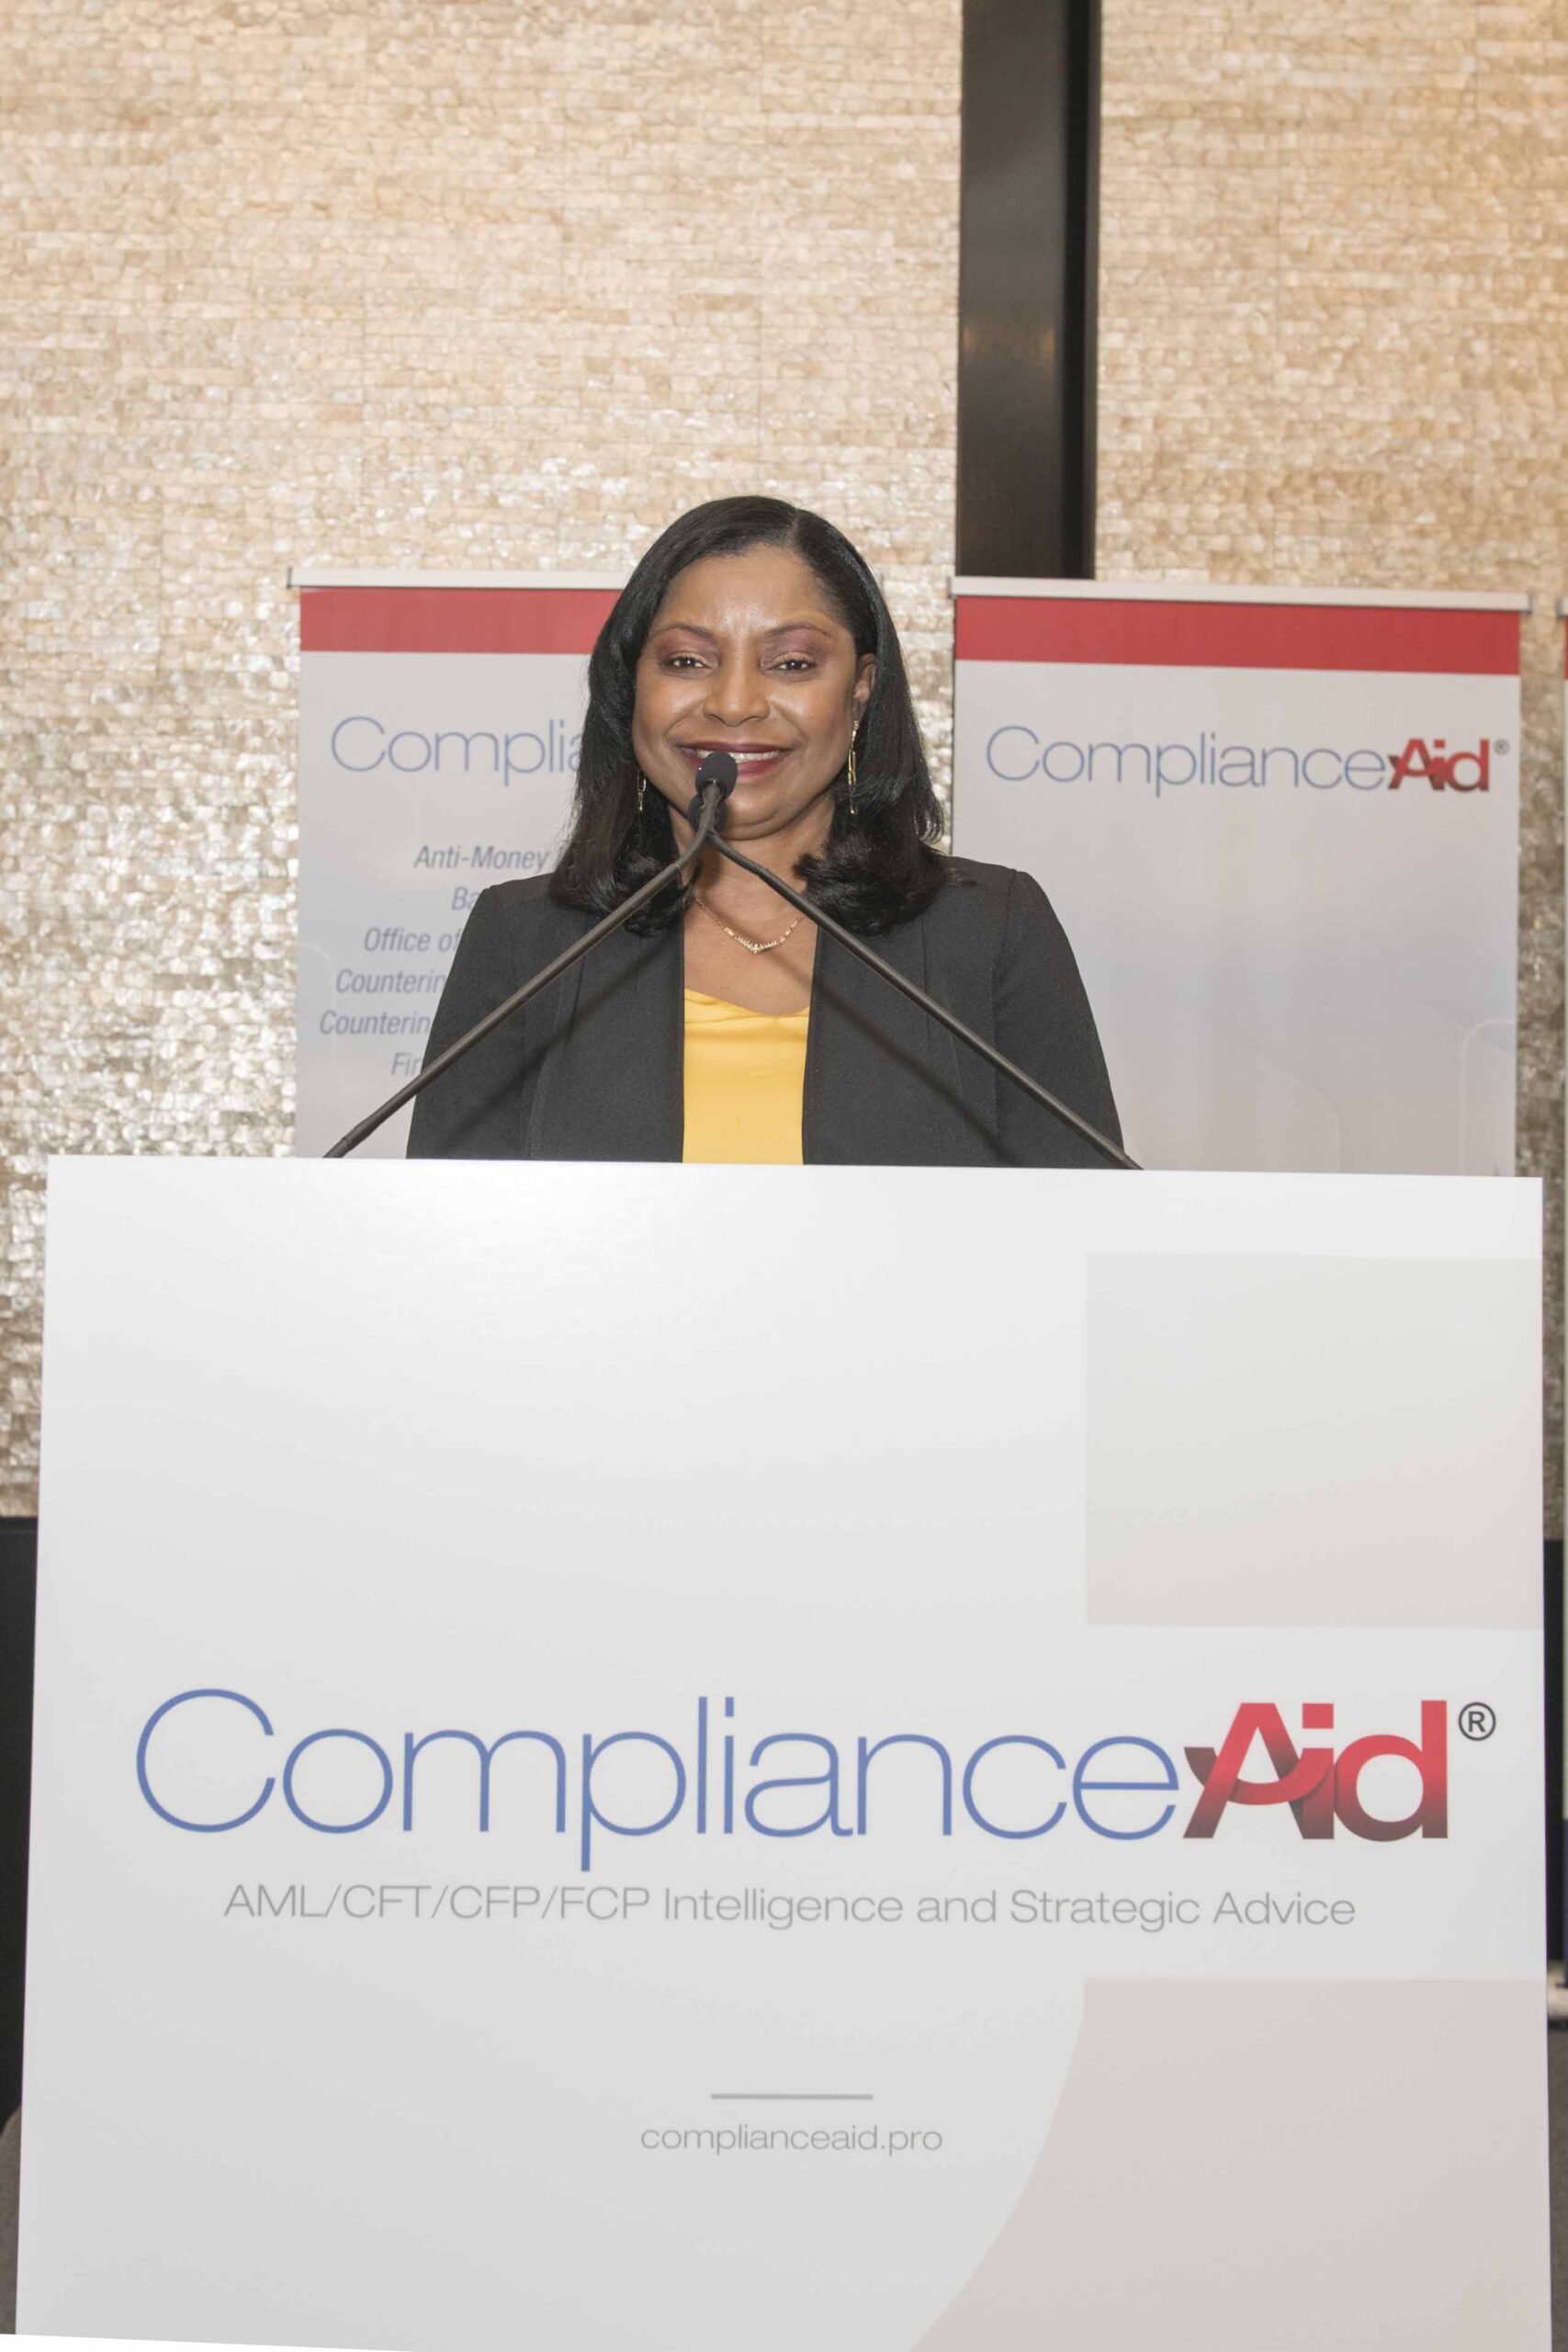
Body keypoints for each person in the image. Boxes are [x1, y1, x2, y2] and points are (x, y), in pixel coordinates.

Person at [408, 496, 1119, 1167]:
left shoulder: (988, 931)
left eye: (792, 664)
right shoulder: (527, 939)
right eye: (687, 661)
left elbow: (1081, 1224)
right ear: (631, 685)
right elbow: (442, 1234)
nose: (735, 703)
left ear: (860, 688)